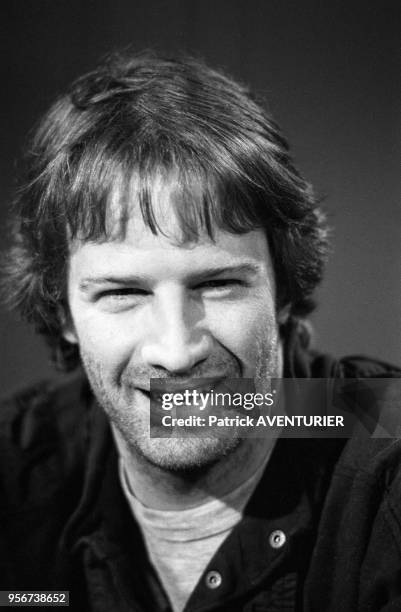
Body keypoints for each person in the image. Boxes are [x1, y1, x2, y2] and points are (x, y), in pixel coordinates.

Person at [1, 50, 400, 612]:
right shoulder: (18, 468)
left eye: (217, 284)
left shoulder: (382, 438)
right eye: (124, 293)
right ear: (62, 310)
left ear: (283, 289)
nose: (177, 352)